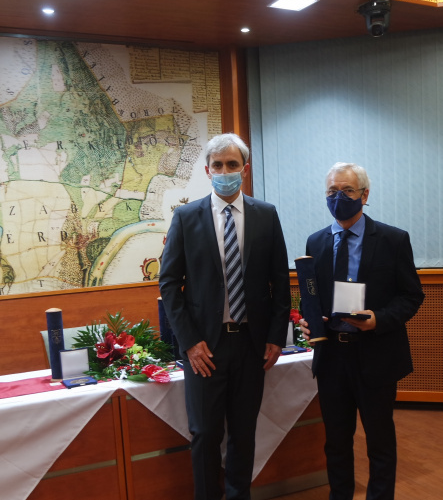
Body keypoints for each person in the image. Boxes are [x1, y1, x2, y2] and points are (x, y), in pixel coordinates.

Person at [158, 133, 291, 500]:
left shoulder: (266, 215)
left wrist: (276, 336)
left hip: (251, 344)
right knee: (204, 433)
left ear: (244, 170)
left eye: (232, 164)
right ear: (207, 171)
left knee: (244, 432)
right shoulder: (186, 217)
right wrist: (189, 342)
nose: (224, 171)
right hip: (205, 348)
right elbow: (169, 284)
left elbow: (280, 281)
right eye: (217, 165)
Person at [300, 162, 424, 500]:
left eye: (347, 191)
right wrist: (308, 320)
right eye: (332, 192)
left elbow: (412, 295)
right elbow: (312, 296)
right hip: (331, 356)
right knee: (336, 441)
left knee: (379, 442)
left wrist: (378, 319)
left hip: (375, 354)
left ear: (365, 195)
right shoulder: (316, 241)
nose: (338, 198)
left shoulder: (393, 239)